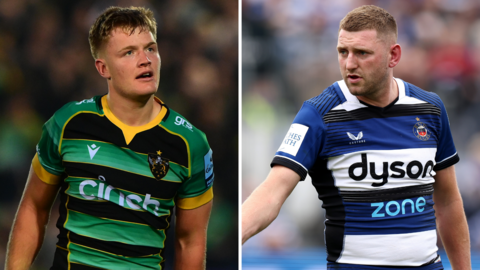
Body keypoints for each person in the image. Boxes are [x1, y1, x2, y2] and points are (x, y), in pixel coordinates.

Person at [242, 5, 470, 270]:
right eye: (343, 52)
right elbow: (272, 192)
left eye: (362, 53)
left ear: (393, 55)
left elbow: (448, 200)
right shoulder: (318, 114)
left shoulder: (430, 109)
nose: (350, 64)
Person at [6, 6, 214, 270]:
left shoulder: (190, 143)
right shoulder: (68, 123)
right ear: (103, 68)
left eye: (150, 48)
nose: (145, 60)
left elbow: (190, 241)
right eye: (129, 52)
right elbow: (33, 208)